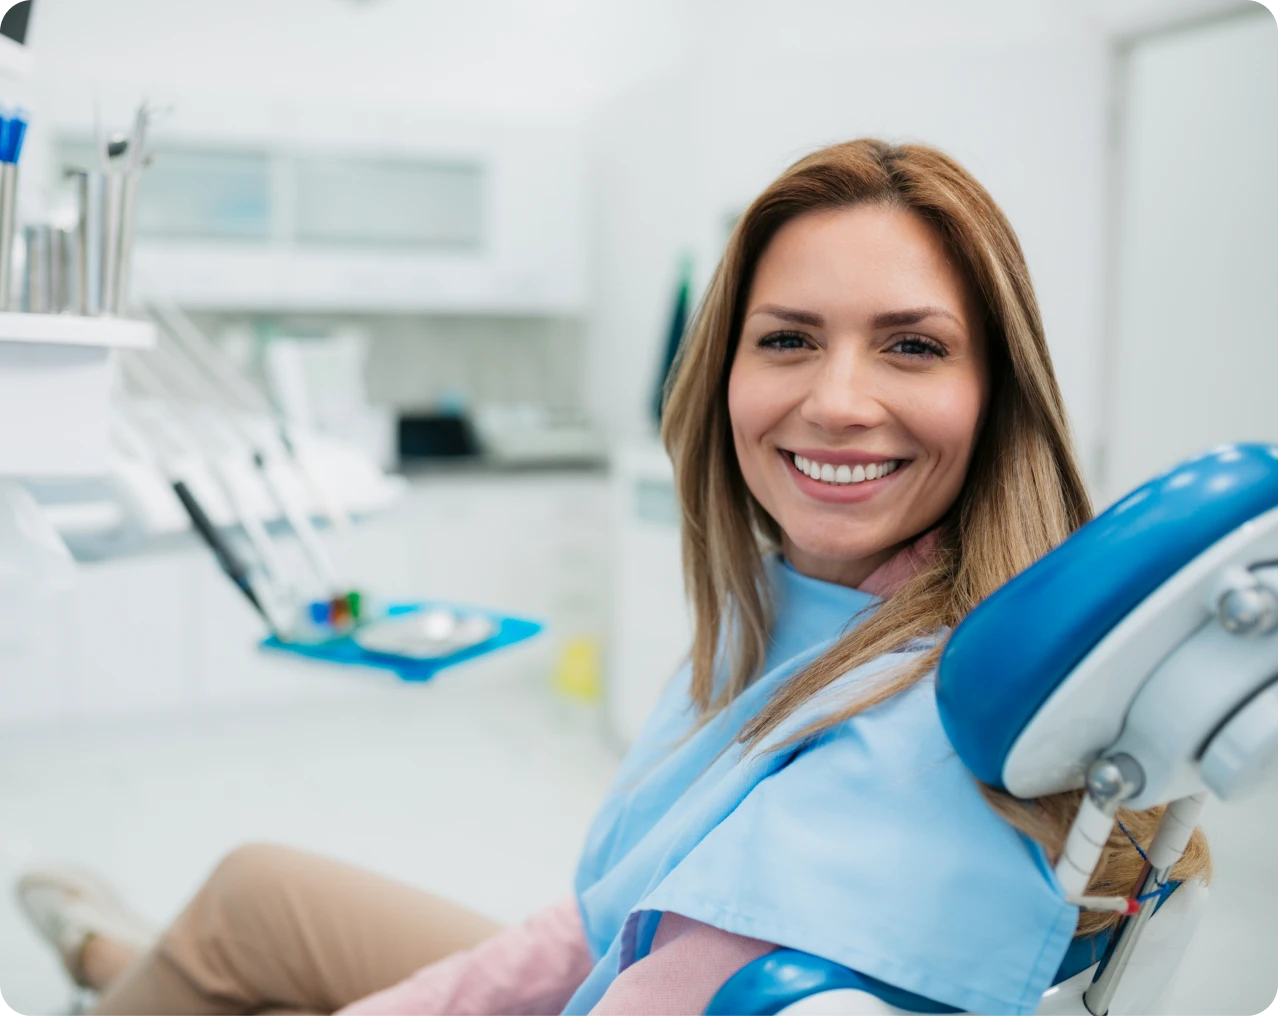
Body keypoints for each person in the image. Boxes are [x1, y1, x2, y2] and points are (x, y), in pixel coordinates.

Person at [16, 138, 1210, 1016]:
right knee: (258, 889)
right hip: (611, 963)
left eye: (912, 344)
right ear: (725, 370)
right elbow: (612, 915)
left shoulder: (917, 732)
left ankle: (125, 968)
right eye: (788, 337)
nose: (838, 400)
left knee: (242, 967)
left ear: (998, 393)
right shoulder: (812, 607)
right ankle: (132, 961)